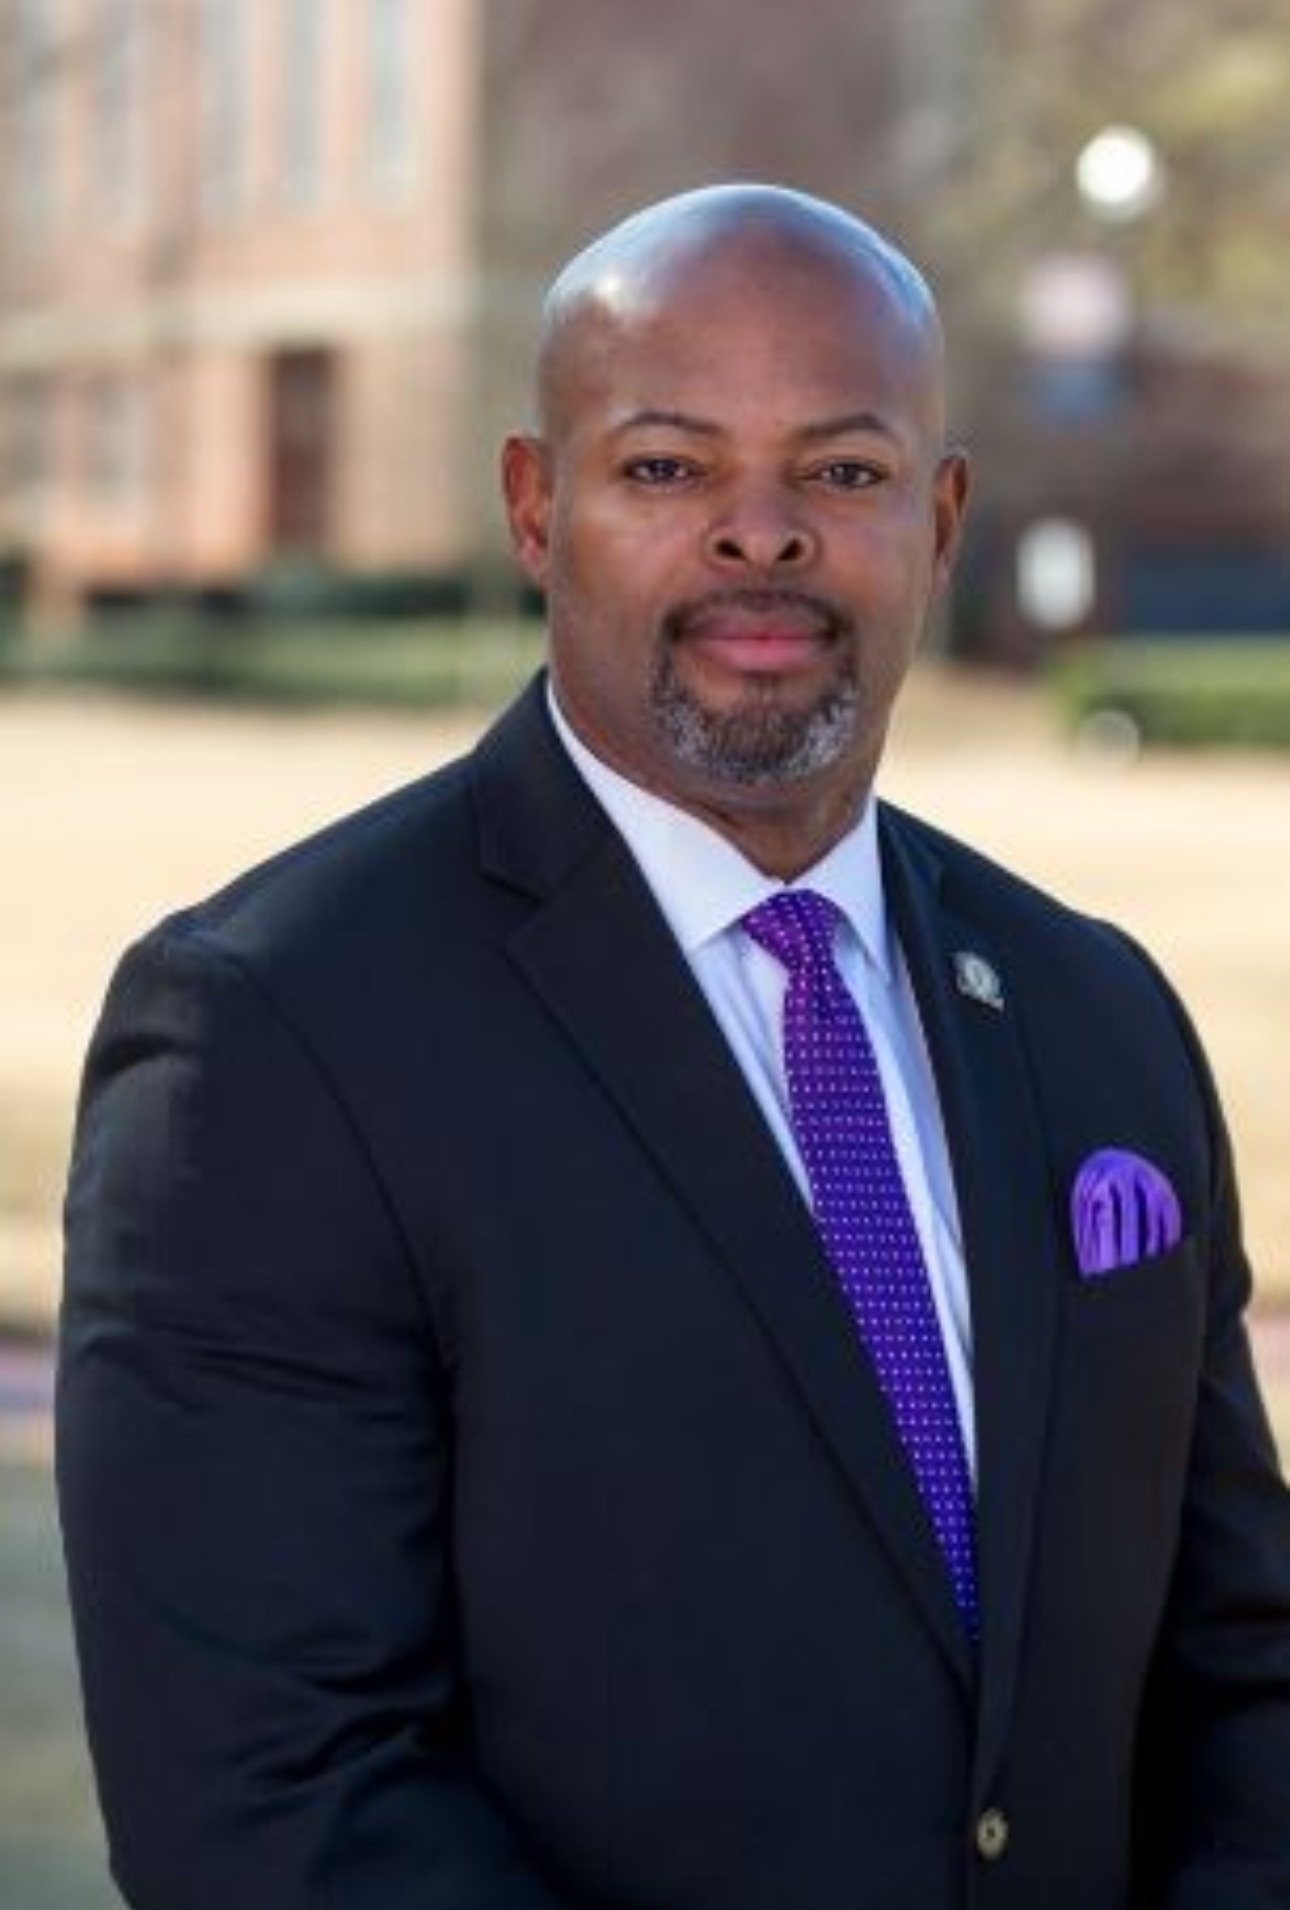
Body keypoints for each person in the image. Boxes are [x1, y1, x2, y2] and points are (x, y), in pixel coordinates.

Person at [58, 183, 1290, 1910]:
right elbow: (271, 1800)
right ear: (533, 506)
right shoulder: (275, 1034)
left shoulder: (1097, 1015)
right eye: (664, 466)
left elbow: (1242, 1674)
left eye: (840, 470)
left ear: (939, 520)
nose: (759, 535)